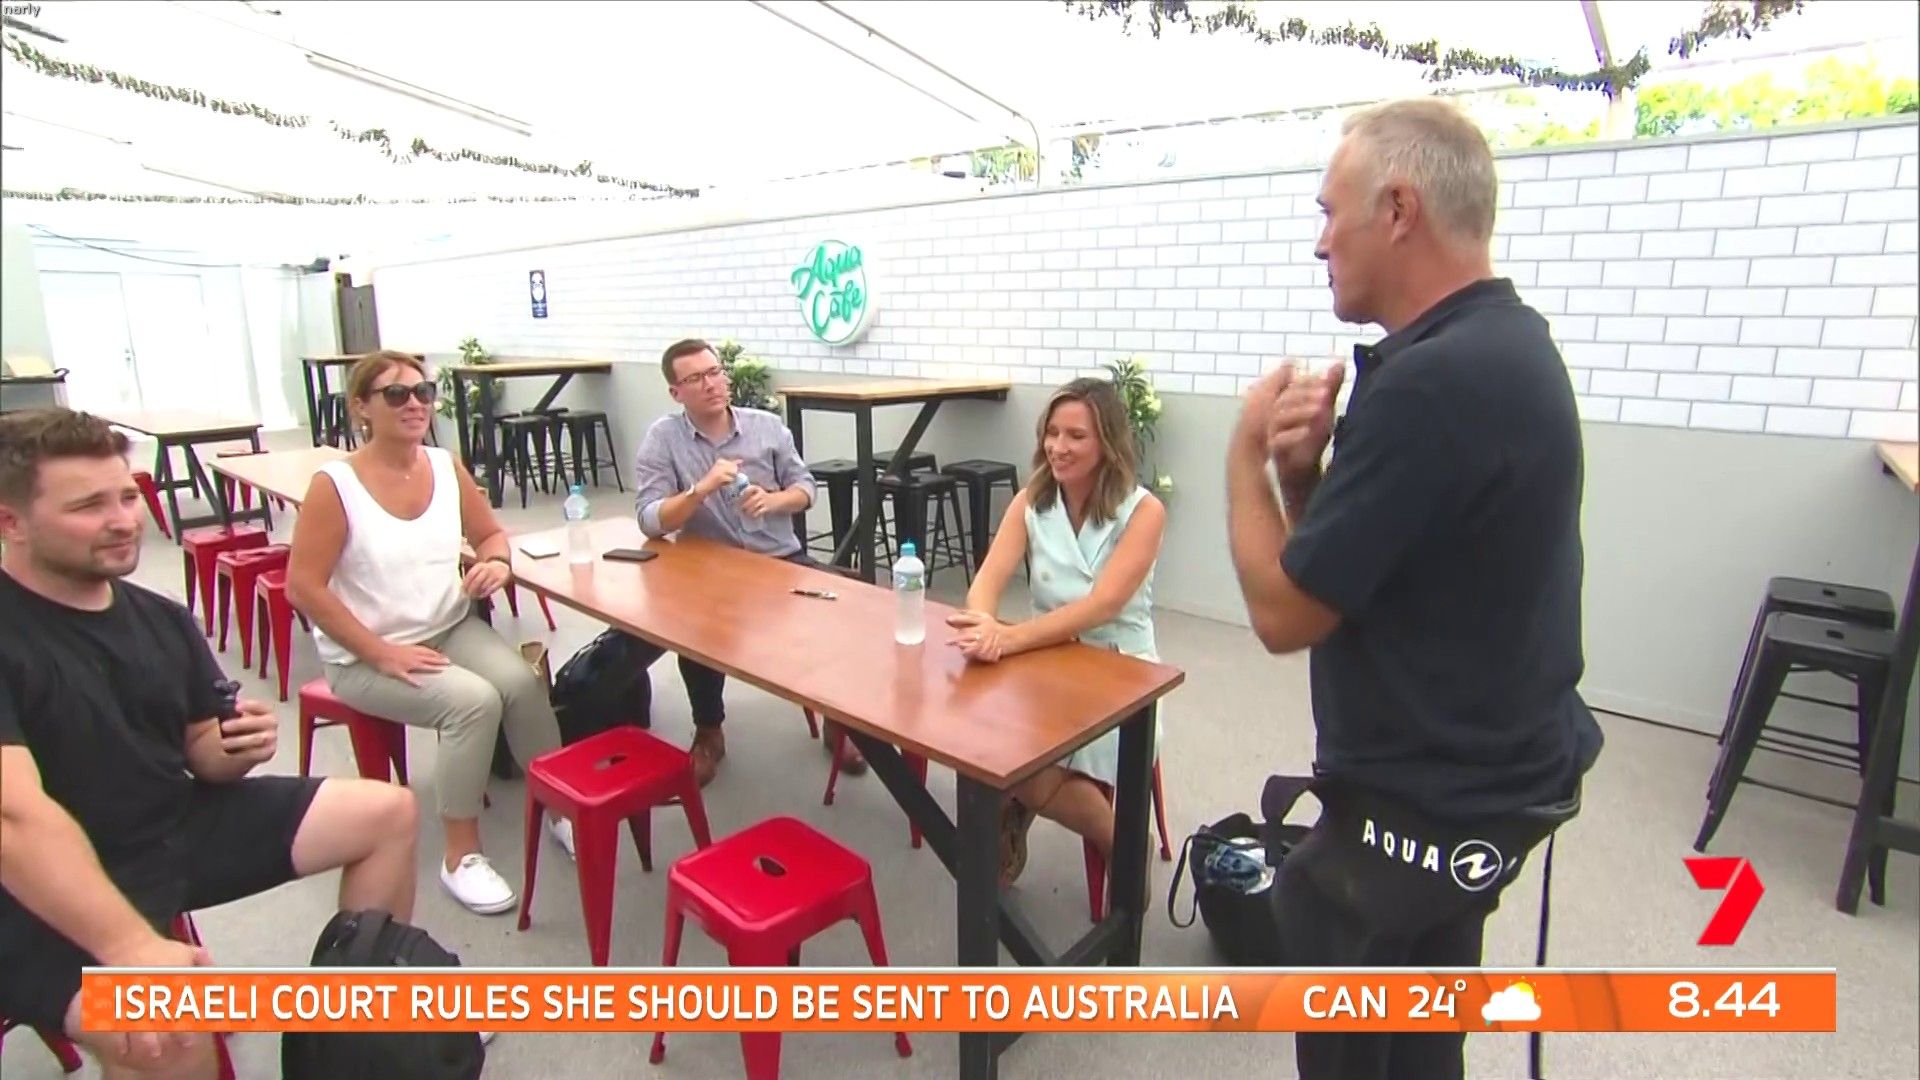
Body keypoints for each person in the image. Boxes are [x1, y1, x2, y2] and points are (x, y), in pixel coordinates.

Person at [1223, 98, 1603, 1080]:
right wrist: (1302, 477)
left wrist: (1244, 454)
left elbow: (1285, 614)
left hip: (1422, 804)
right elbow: (1355, 576)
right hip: (1483, 787)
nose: (1320, 242)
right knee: (1424, 1038)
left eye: (1329, 212)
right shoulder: (1504, 346)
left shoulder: (1436, 383)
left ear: (1397, 210)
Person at [0, 407, 419, 1080]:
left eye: (127, 497)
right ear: (10, 522)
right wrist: (131, 946)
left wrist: (234, 749)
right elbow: (13, 818)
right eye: (87, 506)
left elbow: (202, 752)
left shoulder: (160, 618)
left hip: (165, 829)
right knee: (164, 1032)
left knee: (386, 812)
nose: (123, 520)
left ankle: (356, 1038)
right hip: (30, 891)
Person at [286, 351, 572, 918]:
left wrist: (496, 563)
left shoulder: (444, 466)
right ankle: (460, 856)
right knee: (472, 703)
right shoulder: (336, 486)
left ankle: (562, 811)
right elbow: (304, 587)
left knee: (521, 682)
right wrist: (379, 652)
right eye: (396, 394)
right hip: (363, 655)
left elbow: (490, 534)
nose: (415, 403)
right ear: (362, 407)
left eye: (424, 391)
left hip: (447, 625)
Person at [944, 377, 1167, 886]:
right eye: (1052, 433)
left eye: (1076, 436)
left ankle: (1121, 843)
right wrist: (981, 623)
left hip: (1121, 670)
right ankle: (1028, 809)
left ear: (1107, 443)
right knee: (986, 743)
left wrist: (1007, 638)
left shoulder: (1143, 511)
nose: (1058, 447)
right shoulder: (1031, 502)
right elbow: (986, 584)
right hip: (1047, 660)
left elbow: (1103, 605)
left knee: (1026, 766)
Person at [631, 337, 865, 787]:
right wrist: (700, 489)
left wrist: (774, 500)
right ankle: (709, 730)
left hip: (780, 560)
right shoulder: (664, 437)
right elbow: (649, 519)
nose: (711, 384)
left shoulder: (767, 426)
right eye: (695, 378)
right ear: (676, 393)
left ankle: (839, 720)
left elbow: (806, 487)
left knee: (842, 615)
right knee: (694, 629)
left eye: (715, 372)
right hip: (712, 569)